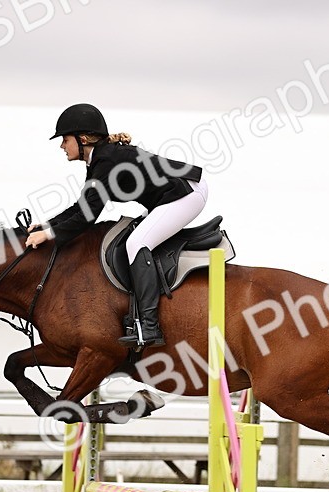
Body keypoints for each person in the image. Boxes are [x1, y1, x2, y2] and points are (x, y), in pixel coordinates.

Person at [24, 103, 208, 347]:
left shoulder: (106, 161)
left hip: (186, 192)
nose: (62, 146)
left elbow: (87, 217)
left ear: (82, 139)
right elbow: (82, 206)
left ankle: (150, 327)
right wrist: (47, 226)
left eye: (65, 140)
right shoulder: (99, 160)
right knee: (134, 239)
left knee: (136, 243)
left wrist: (49, 235)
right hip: (171, 194)